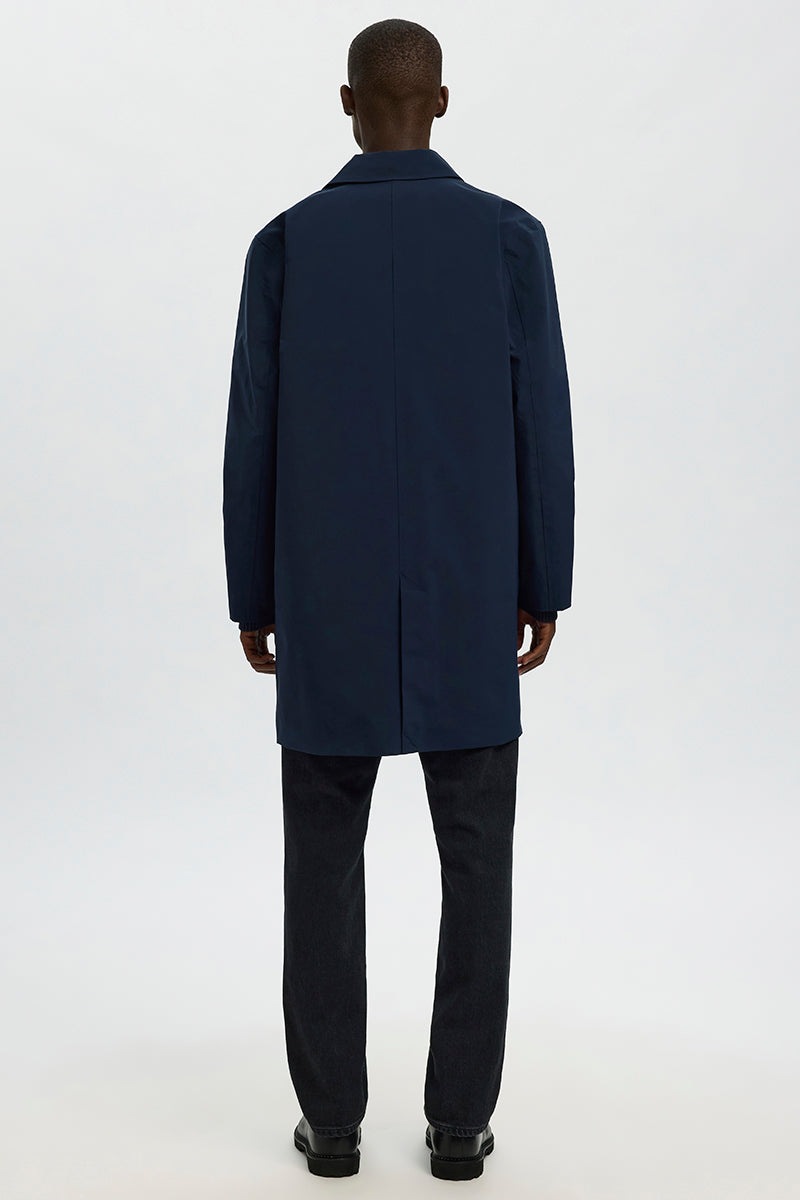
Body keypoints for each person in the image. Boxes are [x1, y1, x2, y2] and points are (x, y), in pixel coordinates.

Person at [222, 17, 575, 1182]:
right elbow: (538, 425)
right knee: (477, 869)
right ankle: (459, 1127)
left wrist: (252, 592)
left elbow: (253, 434)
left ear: (346, 103)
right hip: (471, 601)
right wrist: (542, 580)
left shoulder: (285, 244)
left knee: (320, 868)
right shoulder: (508, 239)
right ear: (440, 102)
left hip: (323, 605)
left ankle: (331, 1125)